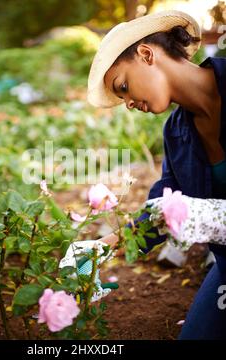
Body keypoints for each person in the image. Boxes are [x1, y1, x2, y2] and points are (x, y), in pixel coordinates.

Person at [85, 9, 226, 340]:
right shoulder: (176, 134)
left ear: (146, 54)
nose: (128, 103)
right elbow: (161, 211)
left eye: (123, 86)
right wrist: (99, 248)